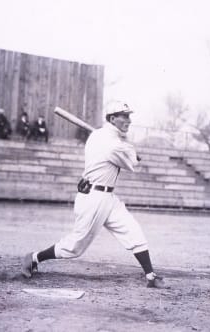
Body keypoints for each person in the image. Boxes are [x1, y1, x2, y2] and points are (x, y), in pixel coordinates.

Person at [21, 101, 164, 288]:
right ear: (113, 119)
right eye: (125, 116)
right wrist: (133, 155)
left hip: (107, 196)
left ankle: (151, 276)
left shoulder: (102, 137)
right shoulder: (112, 143)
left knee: (133, 231)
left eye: (129, 116)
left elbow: (114, 158)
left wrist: (129, 152)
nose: (129, 120)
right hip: (94, 198)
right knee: (74, 247)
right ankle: (33, 258)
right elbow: (129, 161)